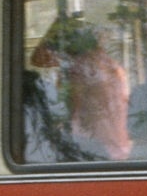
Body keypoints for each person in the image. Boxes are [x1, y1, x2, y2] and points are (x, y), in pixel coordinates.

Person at [29, 16, 132, 160]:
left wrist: (54, 28)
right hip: (118, 146)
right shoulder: (112, 66)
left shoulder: (80, 68)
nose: (57, 54)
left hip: (90, 149)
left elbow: (72, 111)